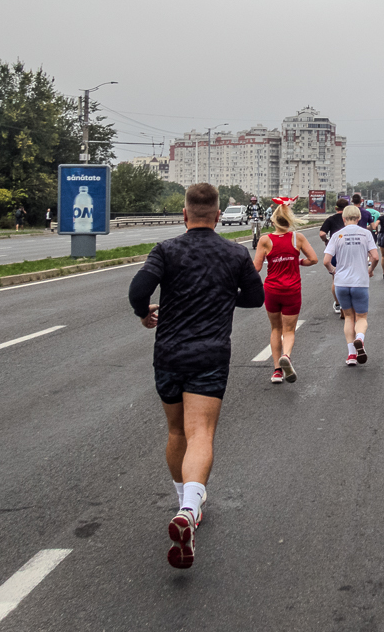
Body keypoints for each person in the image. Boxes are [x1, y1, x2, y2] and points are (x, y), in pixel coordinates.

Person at [128, 182, 265, 569]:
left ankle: (183, 502)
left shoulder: (166, 250)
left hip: (169, 353)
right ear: (219, 216)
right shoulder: (234, 253)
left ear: (185, 215)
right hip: (210, 354)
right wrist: (224, 294)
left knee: (176, 432)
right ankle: (191, 508)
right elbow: (255, 298)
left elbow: (139, 289)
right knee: (201, 433)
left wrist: (145, 313)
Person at [253, 197, 318, 383]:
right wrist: (297, 261)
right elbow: (313, 259)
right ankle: (287, 356)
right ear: (289, 220)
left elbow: (256, 268)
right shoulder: (298, 238)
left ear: (273, 221)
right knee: (289, 330)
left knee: (275, 329)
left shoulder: (266, 240)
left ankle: (276, 371)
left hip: (272, 290)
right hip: (292, 290)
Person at [323, 205, 379, 367]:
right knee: (361, 317)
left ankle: (351, 355)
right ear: (359, 218)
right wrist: (370, 270)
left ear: (343, 218)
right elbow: (375, 256)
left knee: (348, 317)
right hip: (359, 282)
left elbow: (326, 260)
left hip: (341, 282)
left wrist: (333, 271)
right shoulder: (366, 233)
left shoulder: (336, 235)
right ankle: (359, 338)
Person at [319, 198, 349, 317]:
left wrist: (326, 241)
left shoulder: (330, 219)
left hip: (335, 251)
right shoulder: (349, 220)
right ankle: (347, 302)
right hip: (348, 250)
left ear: (336, 208)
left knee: (335, 278)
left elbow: (322, 233)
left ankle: (338, 303)